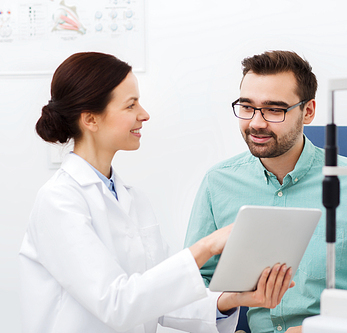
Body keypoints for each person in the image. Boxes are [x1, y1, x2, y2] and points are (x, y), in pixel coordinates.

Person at [18, 52, 295, 333]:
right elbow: (117, 304)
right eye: (130, 105)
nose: (144, 114)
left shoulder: (132, 199)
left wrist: (231, 300)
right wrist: (207, 246)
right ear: (90, 119)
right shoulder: (59, 201)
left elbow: (162, 298)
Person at [184, 50, 347, 333]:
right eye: (247, 106)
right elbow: (195, 284)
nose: (256, 123)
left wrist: (319, 330)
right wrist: (226, 309)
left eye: (275, 109)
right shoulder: (218, 183)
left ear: (308, 111)